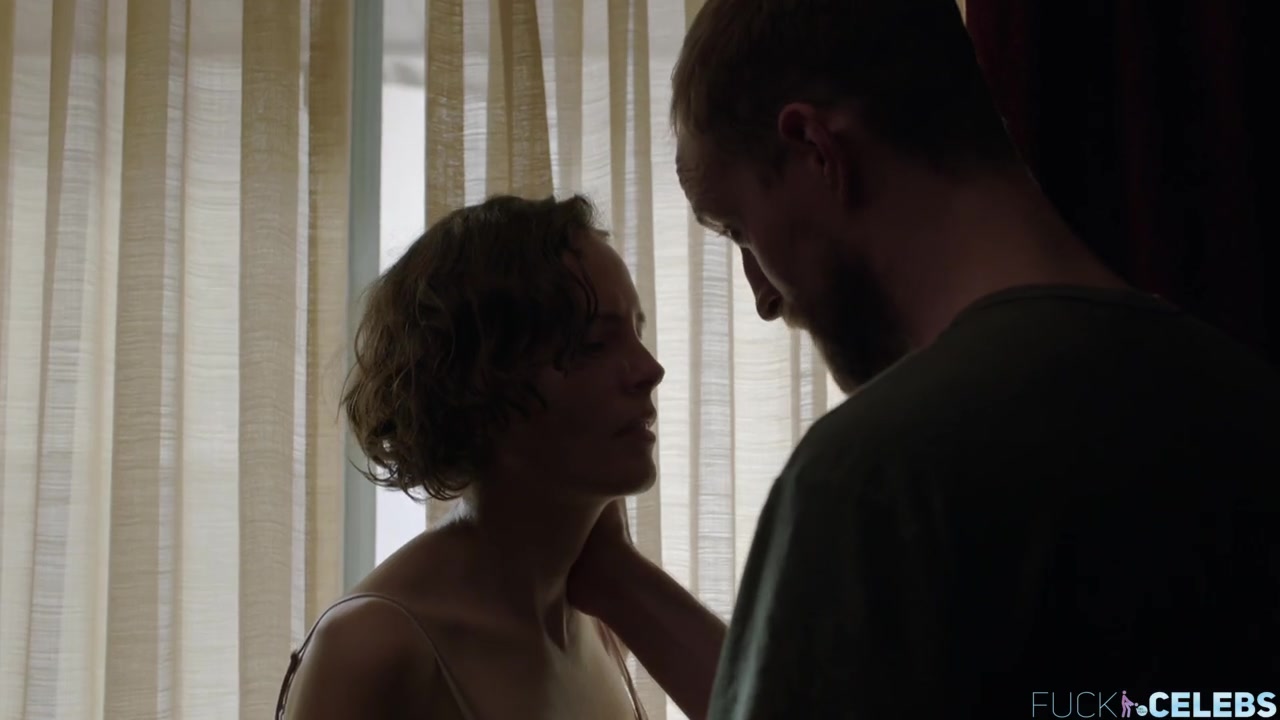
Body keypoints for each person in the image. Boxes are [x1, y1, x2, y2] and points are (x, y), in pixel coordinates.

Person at [660, 0, 1280, 716]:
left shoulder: (871, 484)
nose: (763, 297)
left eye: (740, 230)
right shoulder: (1250, 402)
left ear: (815, 150)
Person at [275, 195, 725, 719]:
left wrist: (624, 579)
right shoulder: (371, 648)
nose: (650, 370)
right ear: (479, 379)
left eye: (636, 333)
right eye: (596, 344)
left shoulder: (599, 624)